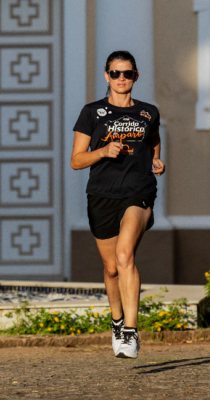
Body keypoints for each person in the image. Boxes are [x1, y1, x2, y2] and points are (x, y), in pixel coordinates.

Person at [70, 50, 165, 359]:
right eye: (115, 73)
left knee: (126, 255)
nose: (121, 79)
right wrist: (102, 152)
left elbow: (153, 141)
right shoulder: (92, 112)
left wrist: (156, 160)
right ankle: (116, 321)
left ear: (136, 76)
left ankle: (130, 333)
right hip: (101, 196)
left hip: (138, 192)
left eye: (127, 73)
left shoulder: (149, 112)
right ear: (106, 76)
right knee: (111, 268)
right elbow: (76, 160)